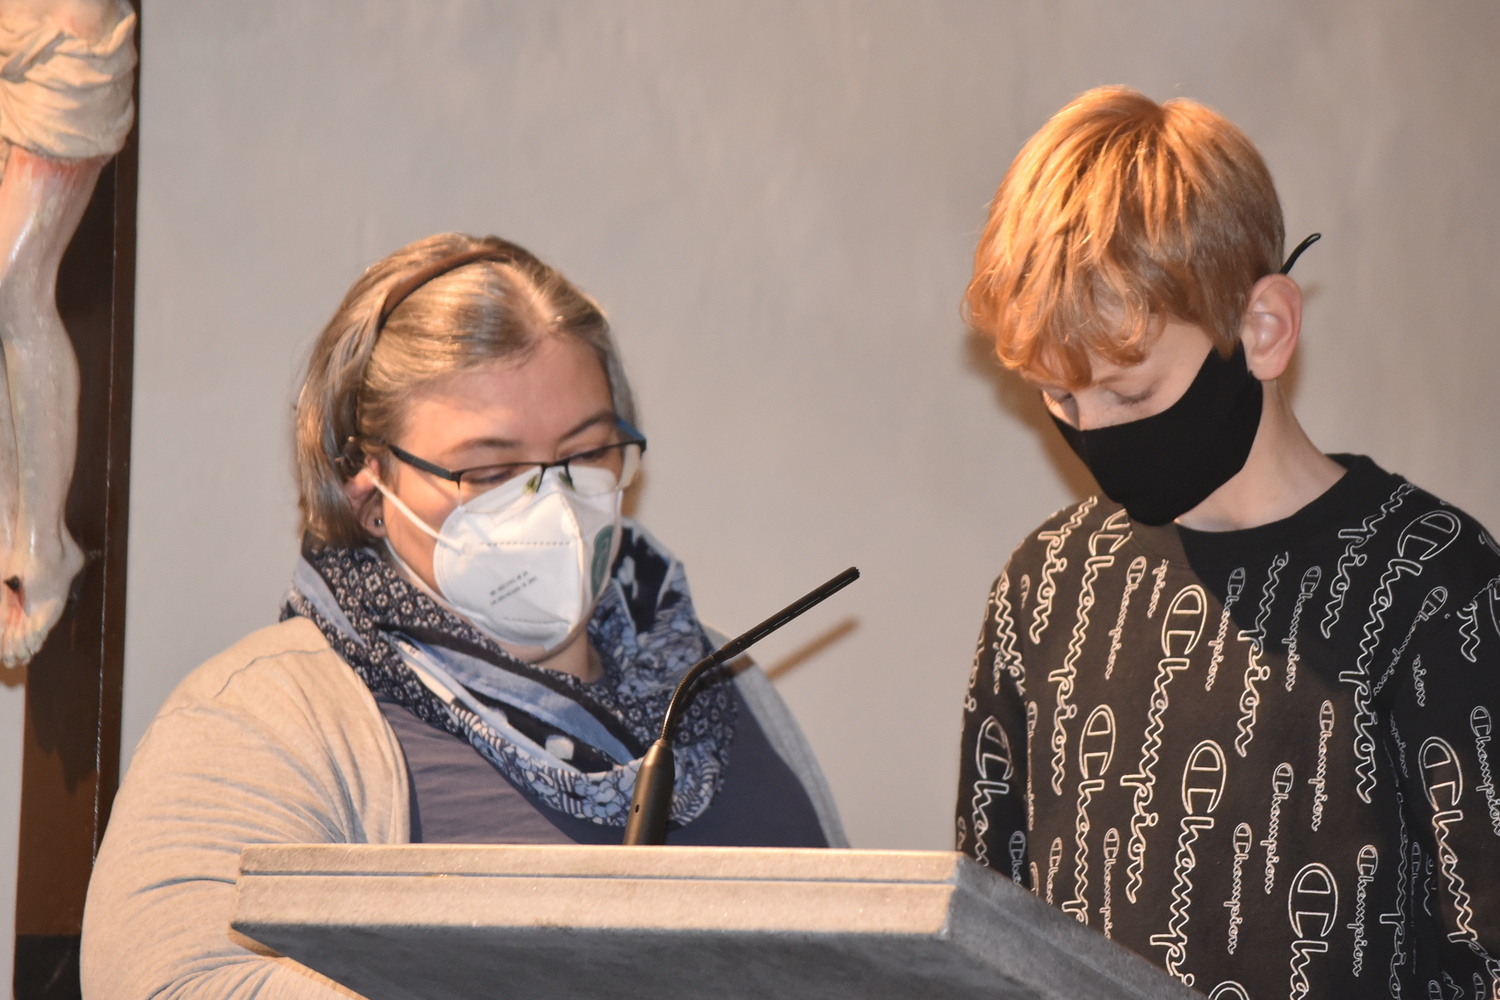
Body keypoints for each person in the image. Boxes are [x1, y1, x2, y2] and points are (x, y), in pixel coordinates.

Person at [81, 233, 845, 998]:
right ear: (367, 485)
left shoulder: (721, 685)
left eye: (586, 453)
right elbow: (172, 982)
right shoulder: (258, 720)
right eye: (491, 470)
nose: (553, 504)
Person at [956, 86, 1500, 999]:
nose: (1094, 435)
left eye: (1130, 394)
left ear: (1263, 330)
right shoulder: (1045, 589)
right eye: (1058, 398)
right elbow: (986, 940)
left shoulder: (1435, 589)